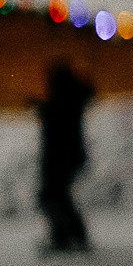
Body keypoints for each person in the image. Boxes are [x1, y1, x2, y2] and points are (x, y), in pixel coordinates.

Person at [37, 58, 95, 254]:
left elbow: (58, 123)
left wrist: (43, 110)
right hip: (67, 156)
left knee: (53, 197)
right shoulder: (70, 97)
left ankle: (70, 236)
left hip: (61, 157)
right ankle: (66, 236)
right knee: (57, 197)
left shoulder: (64, 99)